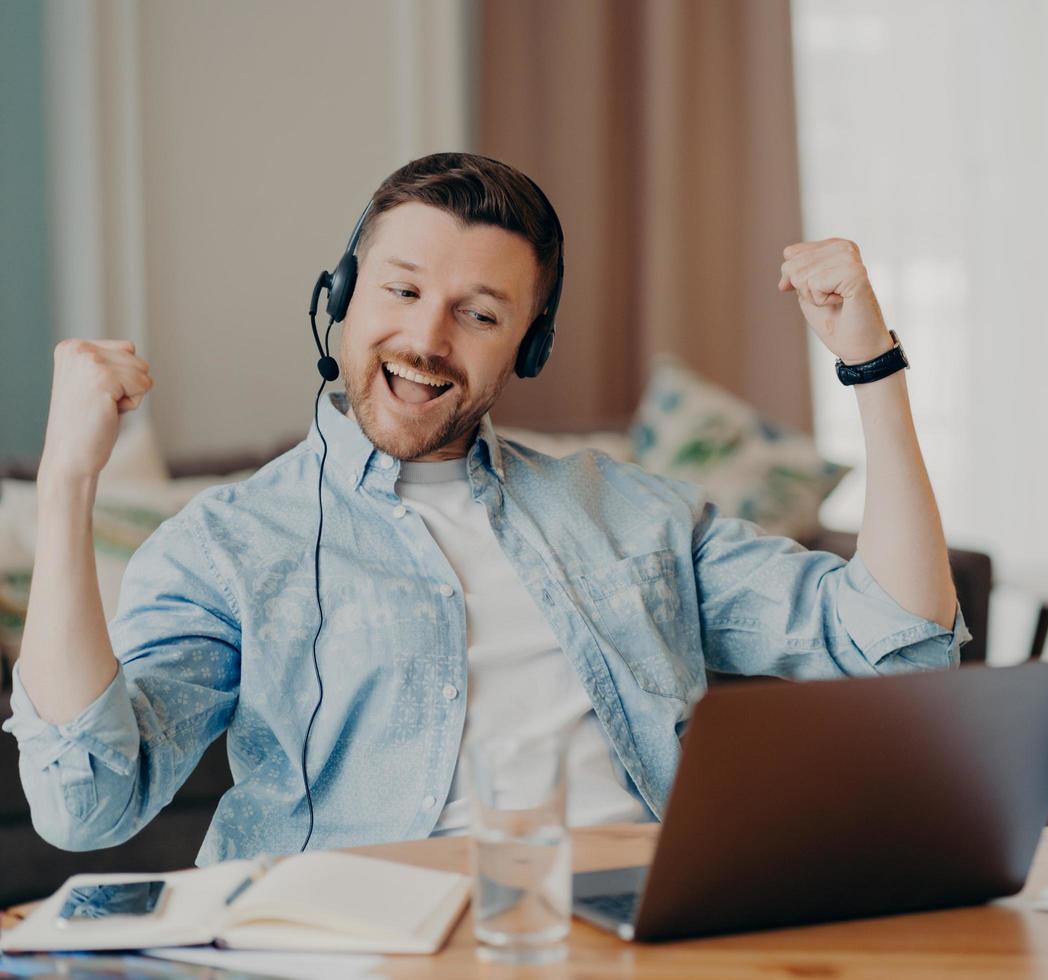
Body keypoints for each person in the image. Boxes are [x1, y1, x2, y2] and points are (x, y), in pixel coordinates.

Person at [5, 153, 967, 864]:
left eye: (478, 314)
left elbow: (902, 641)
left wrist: (871, 367)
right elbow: (85, 805)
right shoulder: (226, 545)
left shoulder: (631, 513)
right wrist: (66, 486)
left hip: (630, 936)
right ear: (339, 300)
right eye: (401, 289)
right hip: (354, 946)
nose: (425, 338)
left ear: (527, 349)